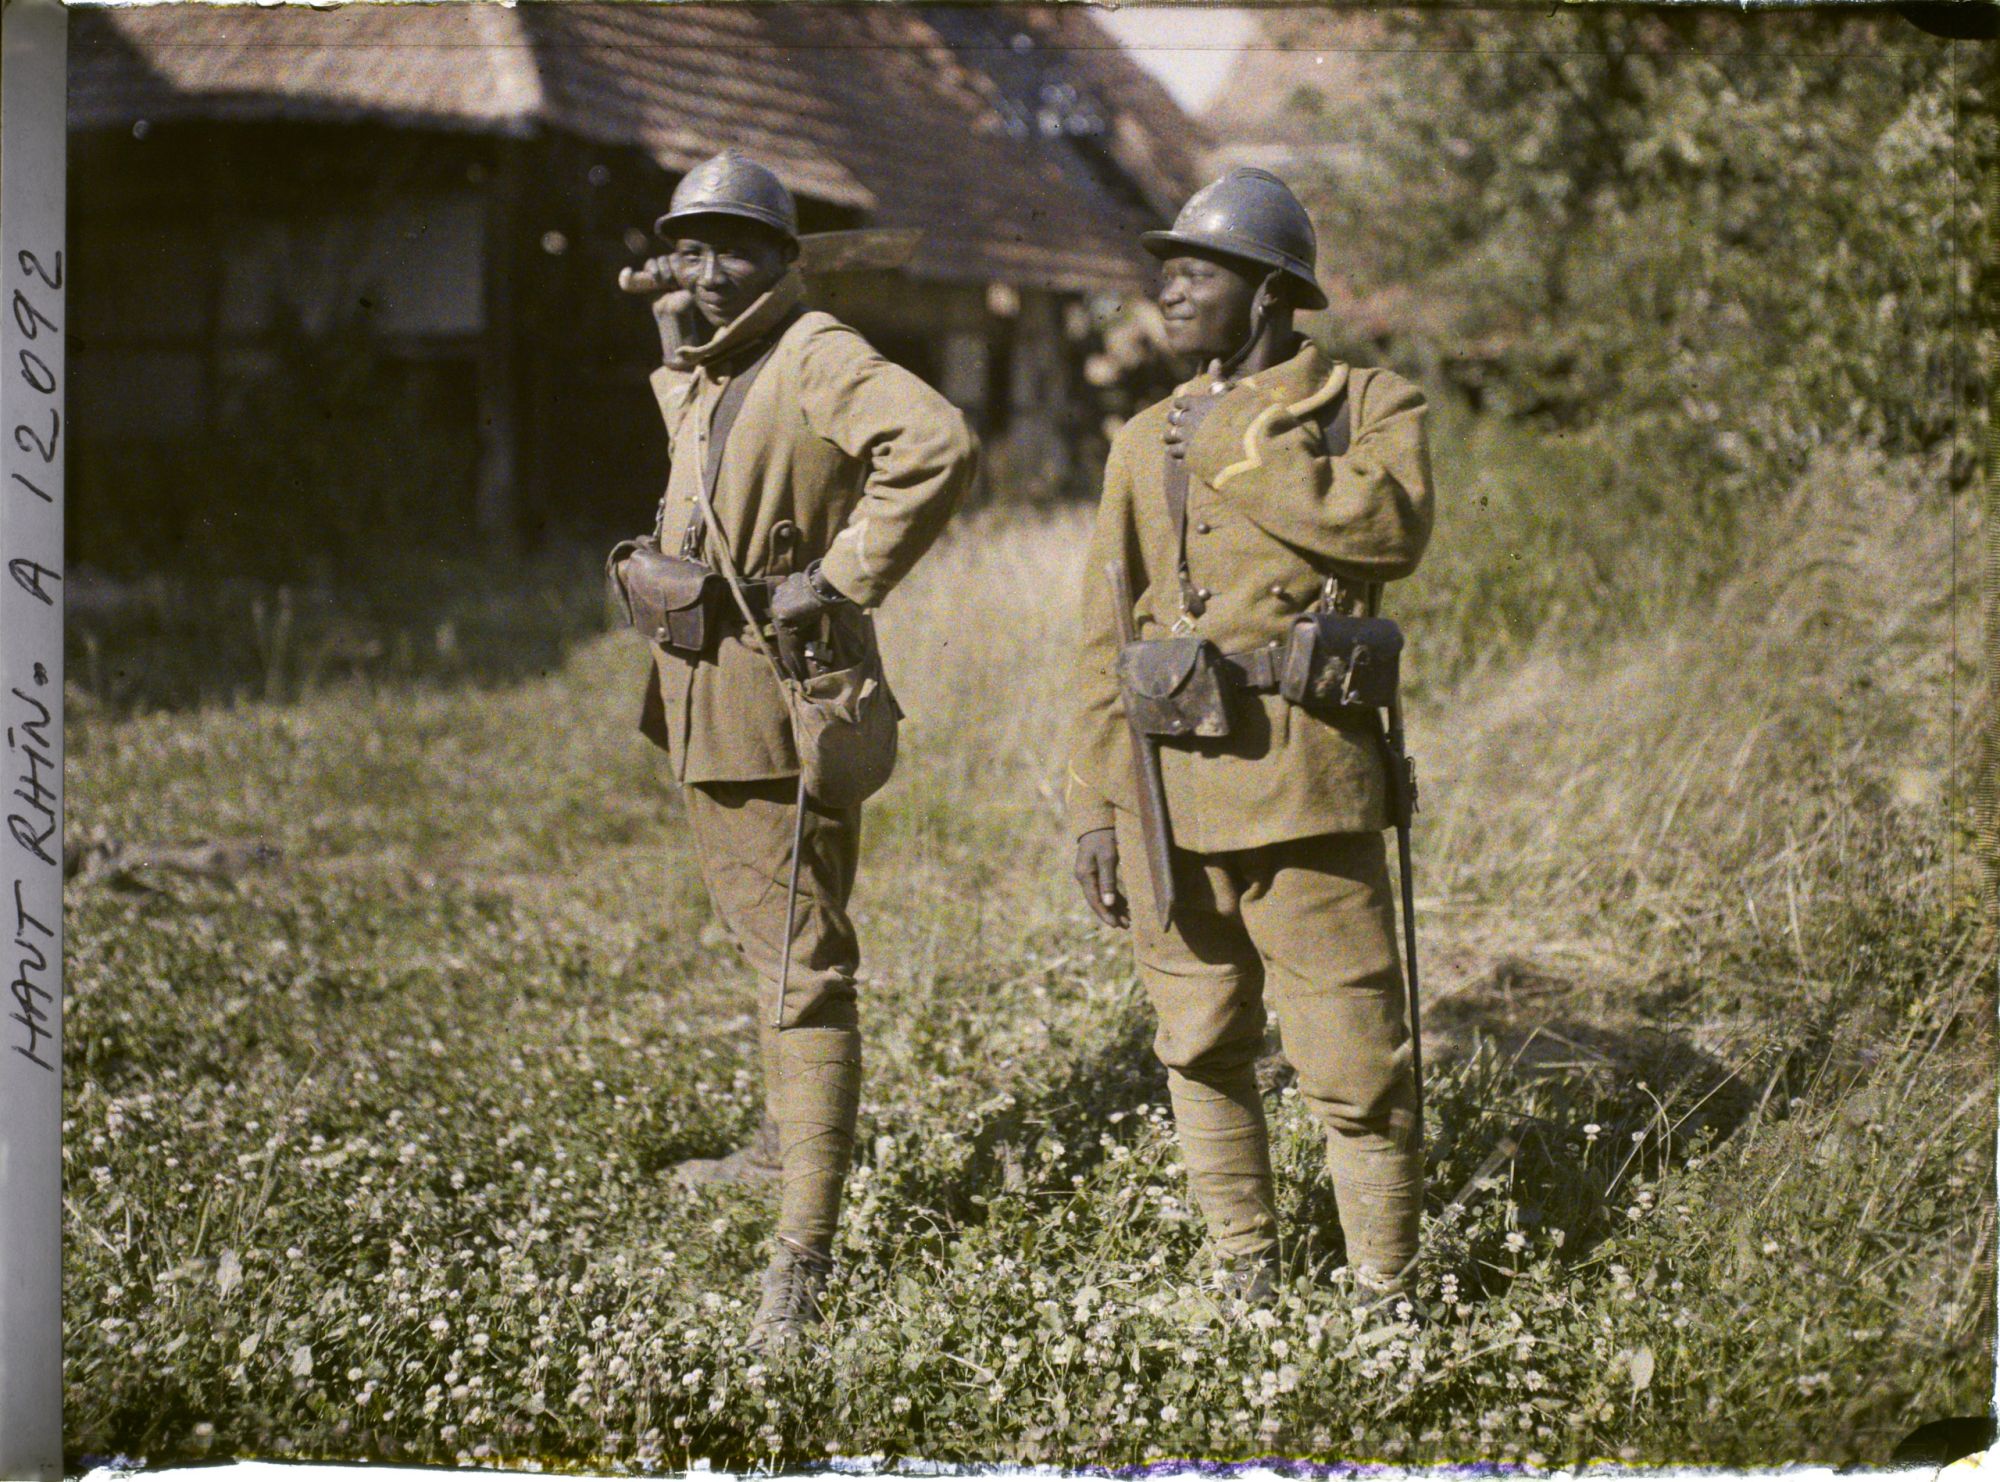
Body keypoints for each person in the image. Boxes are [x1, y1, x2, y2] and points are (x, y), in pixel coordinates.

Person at [626, 151, 977, 1350]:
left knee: (798, 963)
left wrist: (836, 576)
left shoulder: (811, 348)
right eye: (690, 248)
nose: (710, 271)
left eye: (736, 249)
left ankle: (802, 1257)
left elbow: (934, 444)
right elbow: (712, 466)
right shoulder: (730, 363)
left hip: (772, 699)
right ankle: (787, 1149)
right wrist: (678, 341)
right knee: (779, 936)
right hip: (724, 698)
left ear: (783, 259)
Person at [1063, 167, 1434, 1302]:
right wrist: (1093, 807)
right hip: (1165, 792)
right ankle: (1245, 1274)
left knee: (1354, 1055)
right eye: (1165, 274)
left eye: (1195, 273)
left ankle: (1383, 1294)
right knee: (1197, 1039)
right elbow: (1104, 633)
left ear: (1269, 290)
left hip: (1306, 781)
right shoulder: (1140, 439)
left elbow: (1387, 530)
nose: (1168, 294)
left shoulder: (1366, 404)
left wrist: (1238, 440)